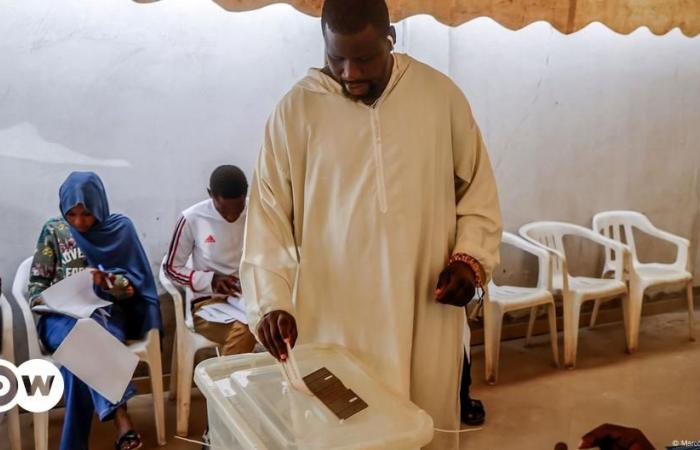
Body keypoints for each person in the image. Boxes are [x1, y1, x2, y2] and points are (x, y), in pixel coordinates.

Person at [239, 0, 502, 448]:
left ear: (390, 40)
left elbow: (477, 189)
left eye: (364, 58)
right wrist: (271, 302)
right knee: (348, 435)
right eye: (336, 57)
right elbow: (268, 218)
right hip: (335, 324)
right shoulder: (294, 114)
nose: (349, 72)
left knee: (426, 428)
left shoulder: (440, 97)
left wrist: (469, 260)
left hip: (424, 313)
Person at [28, 171, 162, 450]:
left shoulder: (120, 229)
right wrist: (55, 298)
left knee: (78, 360)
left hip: (105, 314)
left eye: (86, 214)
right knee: (82, 340)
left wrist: (108, 282)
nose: (79, 222)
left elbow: (132, 287)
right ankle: (122, 419)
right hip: (59, 319)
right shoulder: (53, 230)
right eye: (72, 214)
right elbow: (35, 288)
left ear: (99, 206)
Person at [163, 165, 255, 355]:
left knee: (275, 322)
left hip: (248, 297)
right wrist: (211, 281)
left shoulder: (256, 212)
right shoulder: (192, 218)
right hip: (208, 304)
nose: (232, 216)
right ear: (211, 195)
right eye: (224, 211)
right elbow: (171, 268)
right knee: (244, 332)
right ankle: (227, 384)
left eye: (238, 211)